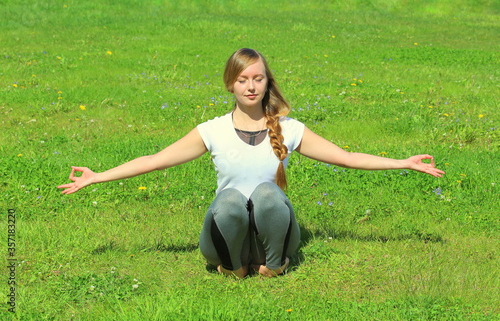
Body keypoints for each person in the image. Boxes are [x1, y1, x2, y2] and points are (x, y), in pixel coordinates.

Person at [58, 48, 445, 278]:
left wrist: (402, 163)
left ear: (266, 82)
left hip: (271, 238)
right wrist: (98, 177)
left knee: (267, 194)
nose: (250, 86)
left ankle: (275, 266)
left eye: (257, 78)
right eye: (242, 79)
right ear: (230, 84)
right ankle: (232, 267)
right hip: (226, 236)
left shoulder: (289, 129)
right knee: (228, 202)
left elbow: (345, 157)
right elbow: (156, 161)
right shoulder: (211, 130)